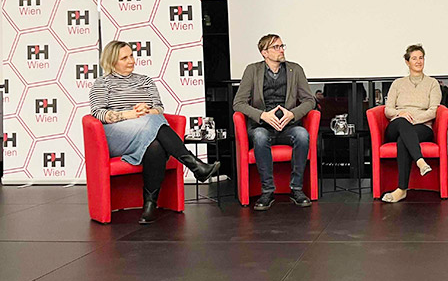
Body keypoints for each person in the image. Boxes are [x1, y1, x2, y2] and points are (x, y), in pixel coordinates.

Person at [90, 41, 220, 224]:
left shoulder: (145, 81)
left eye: (131, 56)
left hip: (147, 130)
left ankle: (149, 205)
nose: (131, 61)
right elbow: (98, 113)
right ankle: (195, 165)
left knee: (156, 145)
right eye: (124, 58)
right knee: (154, 123)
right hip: (117, 135)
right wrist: (129, 114)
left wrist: (146, 111)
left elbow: (158, 108)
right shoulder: (102, 83)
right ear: (112, 62)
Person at [233, 34, 316, 211]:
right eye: (276, 47)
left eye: (282, 46)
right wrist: (262, 115)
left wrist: (292, 114)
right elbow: (238, 103)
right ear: (264, 53)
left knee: (302, 135)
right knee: (260, 136)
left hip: (288, 126)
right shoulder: (252, 70)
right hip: (262, 126)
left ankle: (296, 189)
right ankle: (267, 191)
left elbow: (310, 101)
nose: (281, 50)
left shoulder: (295, 69)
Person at [381, 44, 442, 203]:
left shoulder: (432, 83)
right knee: (402, 123)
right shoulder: (397, 83)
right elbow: (388, 110)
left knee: (404, 140)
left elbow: (433, 111)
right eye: (414, 58)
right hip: (397, 124)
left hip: (422, 127)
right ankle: (420, 161)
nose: (418, 61)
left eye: (421, 58)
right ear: (407, 62)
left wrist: (413, 119)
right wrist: (400, 114)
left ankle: (401, 190)